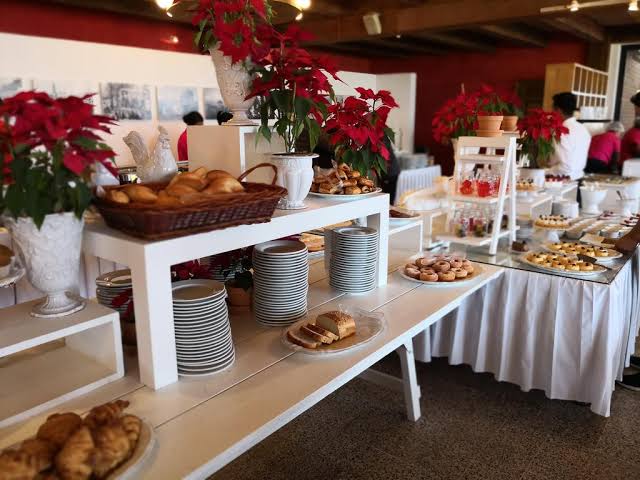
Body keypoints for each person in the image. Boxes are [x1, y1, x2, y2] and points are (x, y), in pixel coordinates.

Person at [547, 92, 591, 180]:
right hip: (579, 178)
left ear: (558, 110)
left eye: (553, 110)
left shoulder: (561, 131)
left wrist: (544, 172)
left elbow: (565, 167)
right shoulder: (583, 129)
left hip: (562, 180)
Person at [621, 92, 640, 165]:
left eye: (636, 107)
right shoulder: (634, 133)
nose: (635, 110)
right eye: (636, 107)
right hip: (630, 167)